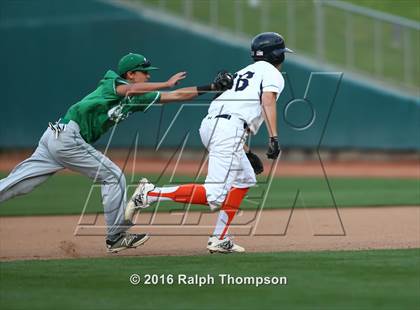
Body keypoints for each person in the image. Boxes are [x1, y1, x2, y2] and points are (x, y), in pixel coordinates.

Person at [0, 52, 233, 253]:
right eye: (145, 71)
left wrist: (211, 87)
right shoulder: (111, 82)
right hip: (66, 136)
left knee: (19, 184)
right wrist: (165, 83)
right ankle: (116, 237)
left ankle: (116, 236)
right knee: (112, 177)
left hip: (57, 136)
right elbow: (130, 89)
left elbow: (176, 96)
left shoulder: (137, 97)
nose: (149, 75)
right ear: (131, 74)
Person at [125, 32, 293, 253]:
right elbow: (267, 100)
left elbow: (230, 112)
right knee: (215, 195)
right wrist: (274, 137)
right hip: (227, 129)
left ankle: (220, 238)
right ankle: (149, 193)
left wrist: (247, 151)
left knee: (244, 179)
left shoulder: (242, 72)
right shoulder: (272, 73)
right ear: (278, 56)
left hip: (215, 125)